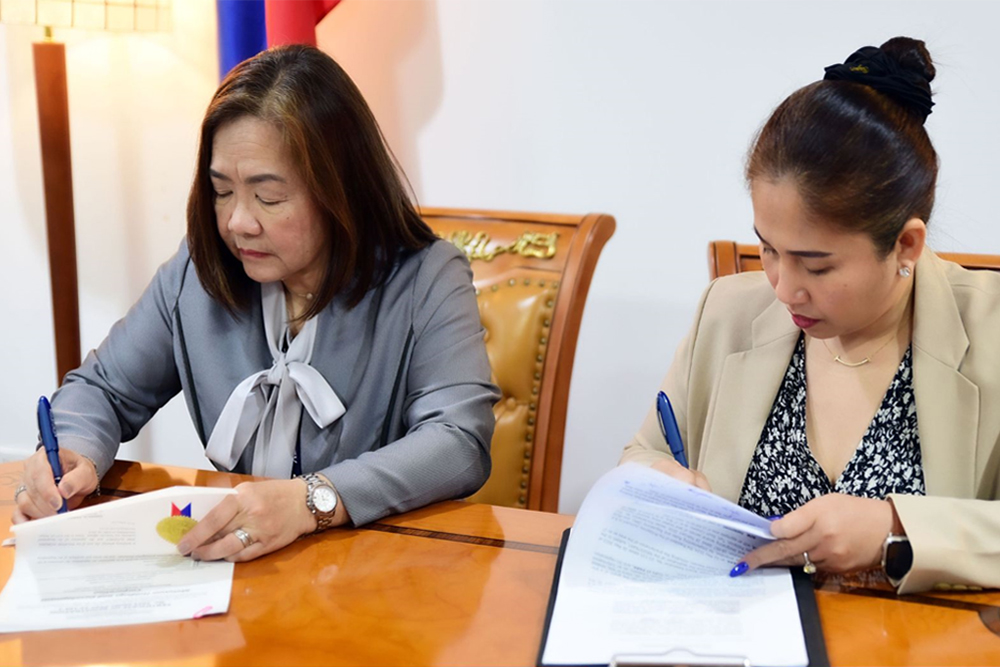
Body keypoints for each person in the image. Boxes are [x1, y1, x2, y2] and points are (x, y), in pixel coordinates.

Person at [13, 45, 499, 562]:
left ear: (341, 191)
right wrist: (69, 450)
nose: (237, 222)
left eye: (267, 197)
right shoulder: (199, 272)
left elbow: (458, 442)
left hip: (374, 577)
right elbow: (104, 390)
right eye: (222, 191)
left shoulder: (426, 277)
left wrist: (312, 500)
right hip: (241, 579)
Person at [621, 37, 1000, 594]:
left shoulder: (990, 331)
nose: (783, 289)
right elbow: (645, 452)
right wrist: (659, 482)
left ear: (907, 246)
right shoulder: (727, 312)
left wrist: (896, 530)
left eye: (816, 267)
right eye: (768, 249)